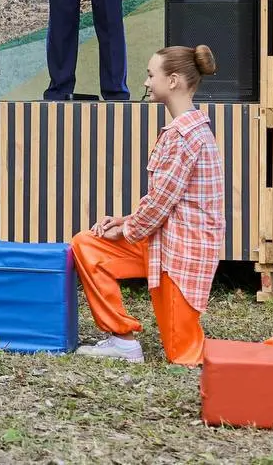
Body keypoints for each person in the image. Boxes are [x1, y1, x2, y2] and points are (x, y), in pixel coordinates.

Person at [71, 45, 224, 365]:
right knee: (88, 245)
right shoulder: (189, 127)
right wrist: (125, 221)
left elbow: (160, 205)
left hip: (181, 252)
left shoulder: (184, 135)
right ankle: (122, 340)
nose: (145, 82)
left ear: (174, 81)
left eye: (151, 74)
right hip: (163, 241)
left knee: (184, 354)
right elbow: (165, 202)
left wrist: (126, 229)